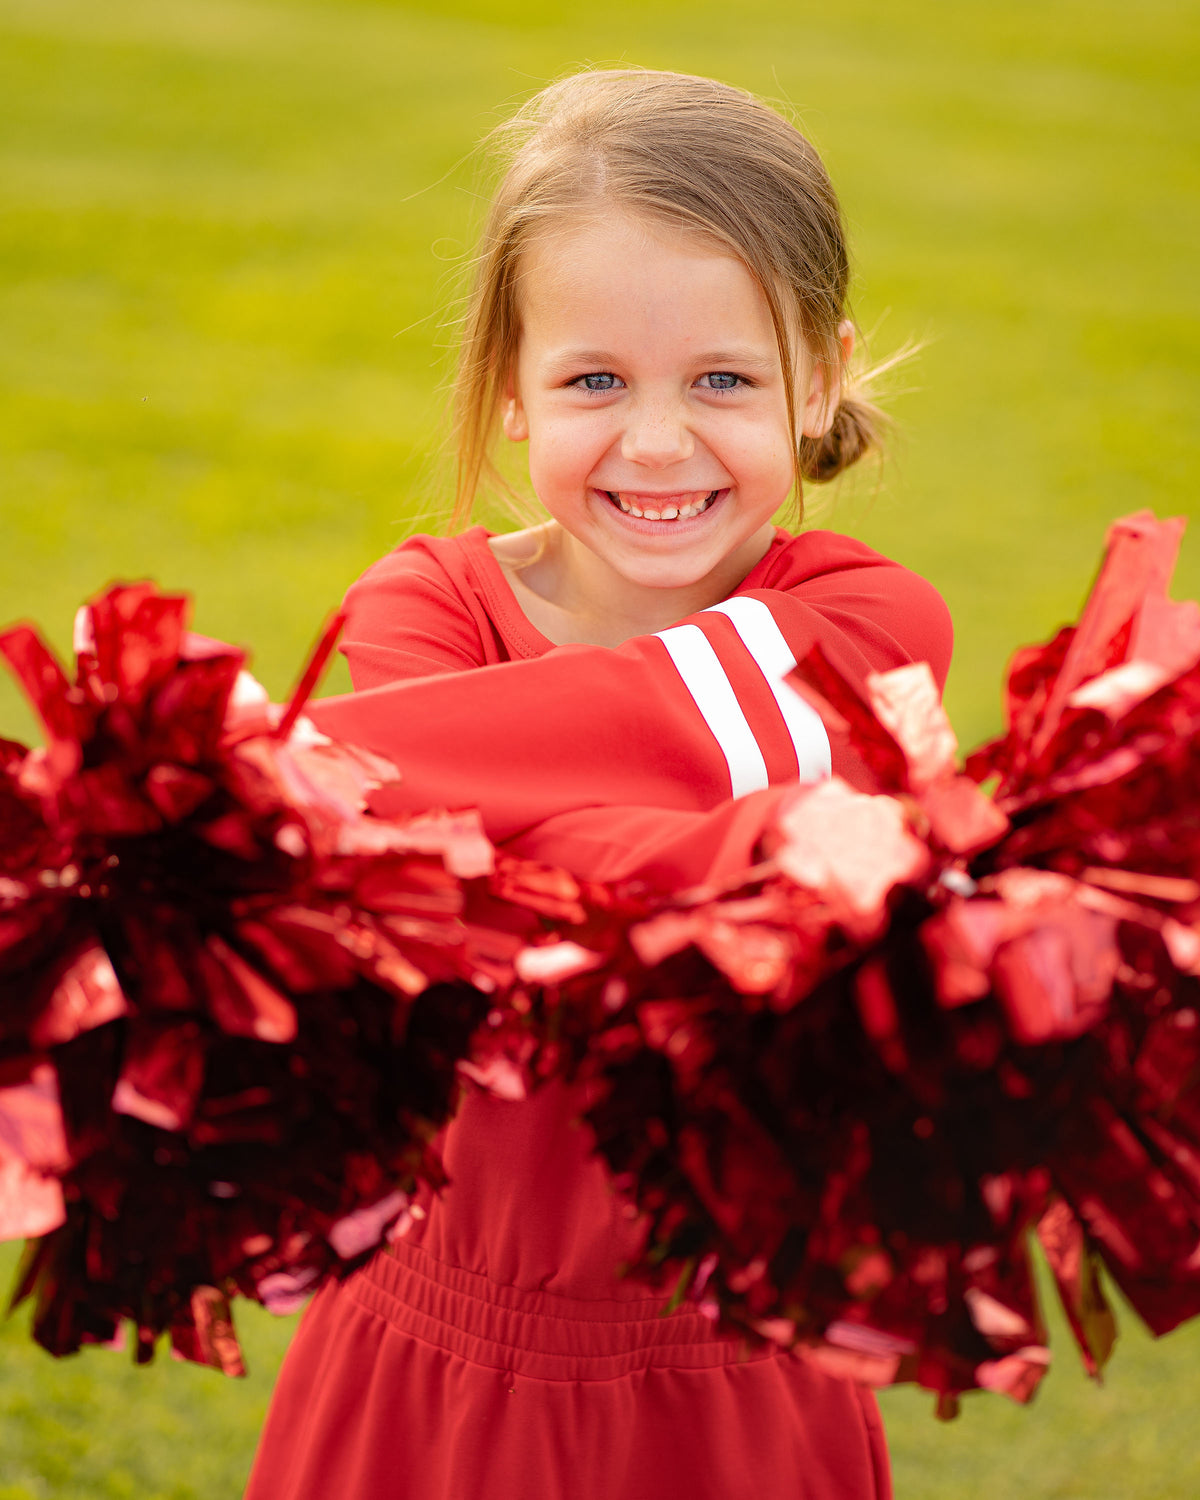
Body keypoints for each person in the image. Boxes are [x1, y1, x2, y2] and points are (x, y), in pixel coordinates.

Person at [245, 69, 952, 1500]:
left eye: (724, 380)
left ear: (821, 377)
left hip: (735, 1363)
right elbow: (528, 869)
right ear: (509, 387)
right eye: (592, 381)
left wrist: (284, 763)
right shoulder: (417, 612)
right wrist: (748, 845)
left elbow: (401, 804)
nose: (655, 441)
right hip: (429, 1350)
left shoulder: (873, 624)